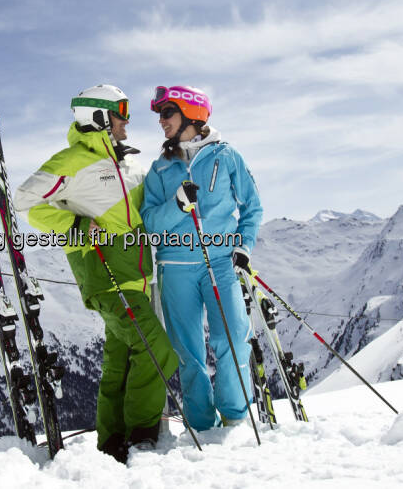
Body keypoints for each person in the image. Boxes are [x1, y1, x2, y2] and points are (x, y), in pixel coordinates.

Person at [14, 84, 178, 463]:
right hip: (105, 276)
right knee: (156, 351)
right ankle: (141, 437)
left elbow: (144, 213)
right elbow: (25, 200)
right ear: (100, 117)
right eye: (121, 111)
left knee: (120, 362)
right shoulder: (72, 161)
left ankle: (111, 443)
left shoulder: (129, 165)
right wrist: (75, 224)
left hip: (138, 277)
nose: (127, 120)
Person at [140, 85, 263, 431]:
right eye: (160, 115)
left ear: (191, 113)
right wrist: (177, 204)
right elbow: (150, 223)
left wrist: (244, 246)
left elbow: (252, 208)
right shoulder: (160, 169)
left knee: (233, 338)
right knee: (188, 353)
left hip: (221, 262)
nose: (161, 122)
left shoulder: (227, 157)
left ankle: (236, 416)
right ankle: (199, 423)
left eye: (167, 113)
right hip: (175, 267)